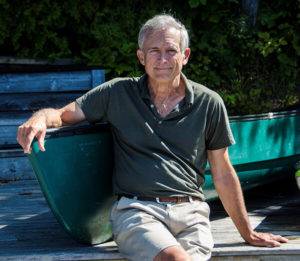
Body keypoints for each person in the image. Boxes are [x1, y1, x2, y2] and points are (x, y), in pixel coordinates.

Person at [17, 14, 288, 261]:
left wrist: (247, 232)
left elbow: (223, 172)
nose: (162, 59)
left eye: (171, 51)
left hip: (192, 214)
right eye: (154, 51)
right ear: (141, 57)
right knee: (174, 260)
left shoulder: (209, 103)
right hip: (137, 212)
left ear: (185, 56)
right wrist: (39, 118)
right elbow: (64, 115)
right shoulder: (117, 93)